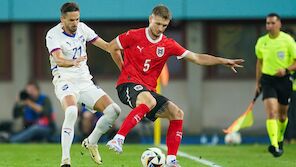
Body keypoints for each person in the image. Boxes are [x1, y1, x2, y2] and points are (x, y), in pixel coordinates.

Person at [106, 5, 244, 166]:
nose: (160, 28)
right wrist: (123, 68)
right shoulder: (133, 35)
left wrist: (223, 61)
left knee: (177, 113)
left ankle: (171, 160)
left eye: (164, 26)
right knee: (149, 101)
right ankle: (118, 139)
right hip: (127, 85)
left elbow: (197, 58)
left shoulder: (168, 44)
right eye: (157, 24)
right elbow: (112, 47)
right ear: (151, 19)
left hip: (148, 90)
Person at [45, 2, 121, 167]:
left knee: (114, 111)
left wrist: (122, 46)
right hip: (64, 81)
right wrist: (73, 62)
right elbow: (58, 59)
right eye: (71, 20)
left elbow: (107, 46)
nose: (75, 23)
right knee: (71, 111)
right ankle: (65, 161)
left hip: (85, 82)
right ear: (62, 19)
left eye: (77, 19)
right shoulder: (53, 34)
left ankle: (91, 142)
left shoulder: (83, 29)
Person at [255, 13, 296, 157]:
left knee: (283, 116)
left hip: (284, 80)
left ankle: (279, 139)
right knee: (272, 112)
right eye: (267, 23)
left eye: (272, 23)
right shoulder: (261, 42)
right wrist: (258, 82)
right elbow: (259, 62)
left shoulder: (288, 41)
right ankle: (273, 145)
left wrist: (286, 69)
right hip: (268, 80)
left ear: (279, 24)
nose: (269, 26)